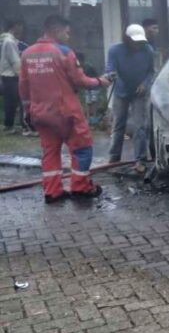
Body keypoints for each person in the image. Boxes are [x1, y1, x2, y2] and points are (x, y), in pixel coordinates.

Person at [19, 14, 110, 203]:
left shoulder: (27, 53)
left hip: (40, 114)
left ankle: (53, 191)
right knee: (82, 148)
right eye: (67, 32)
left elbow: (23, 86)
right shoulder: (64, 52)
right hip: (66, 113)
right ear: (56, 30)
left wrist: (28, 112)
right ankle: (81, 187)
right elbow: (80, 80)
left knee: (50, 152)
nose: (69, 36)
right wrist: (101, 81)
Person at [106, 24, 155, 175]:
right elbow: (110, 67)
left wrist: (145, 84)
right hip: (121, 91)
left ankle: (140, 160)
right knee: (118, 125)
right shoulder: (115, 50)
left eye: (140, 42)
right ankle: (114, 158)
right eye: (135, 42)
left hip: (140, 93)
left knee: (140, 126)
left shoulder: (148, 50)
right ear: (126, 39)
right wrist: (110, 74)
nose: (138, 45)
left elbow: (151, 72)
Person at [1, 18, 25, 133]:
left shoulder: (9, 40)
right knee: (12, 101)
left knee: (14, 101)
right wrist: (21, 75)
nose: (21, 29)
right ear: (15, 26)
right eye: (20, 26)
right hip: (11, 76)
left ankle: (13, 124)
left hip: (9, 75)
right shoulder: (9, 41)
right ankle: (9, 125)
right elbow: (15, 60)